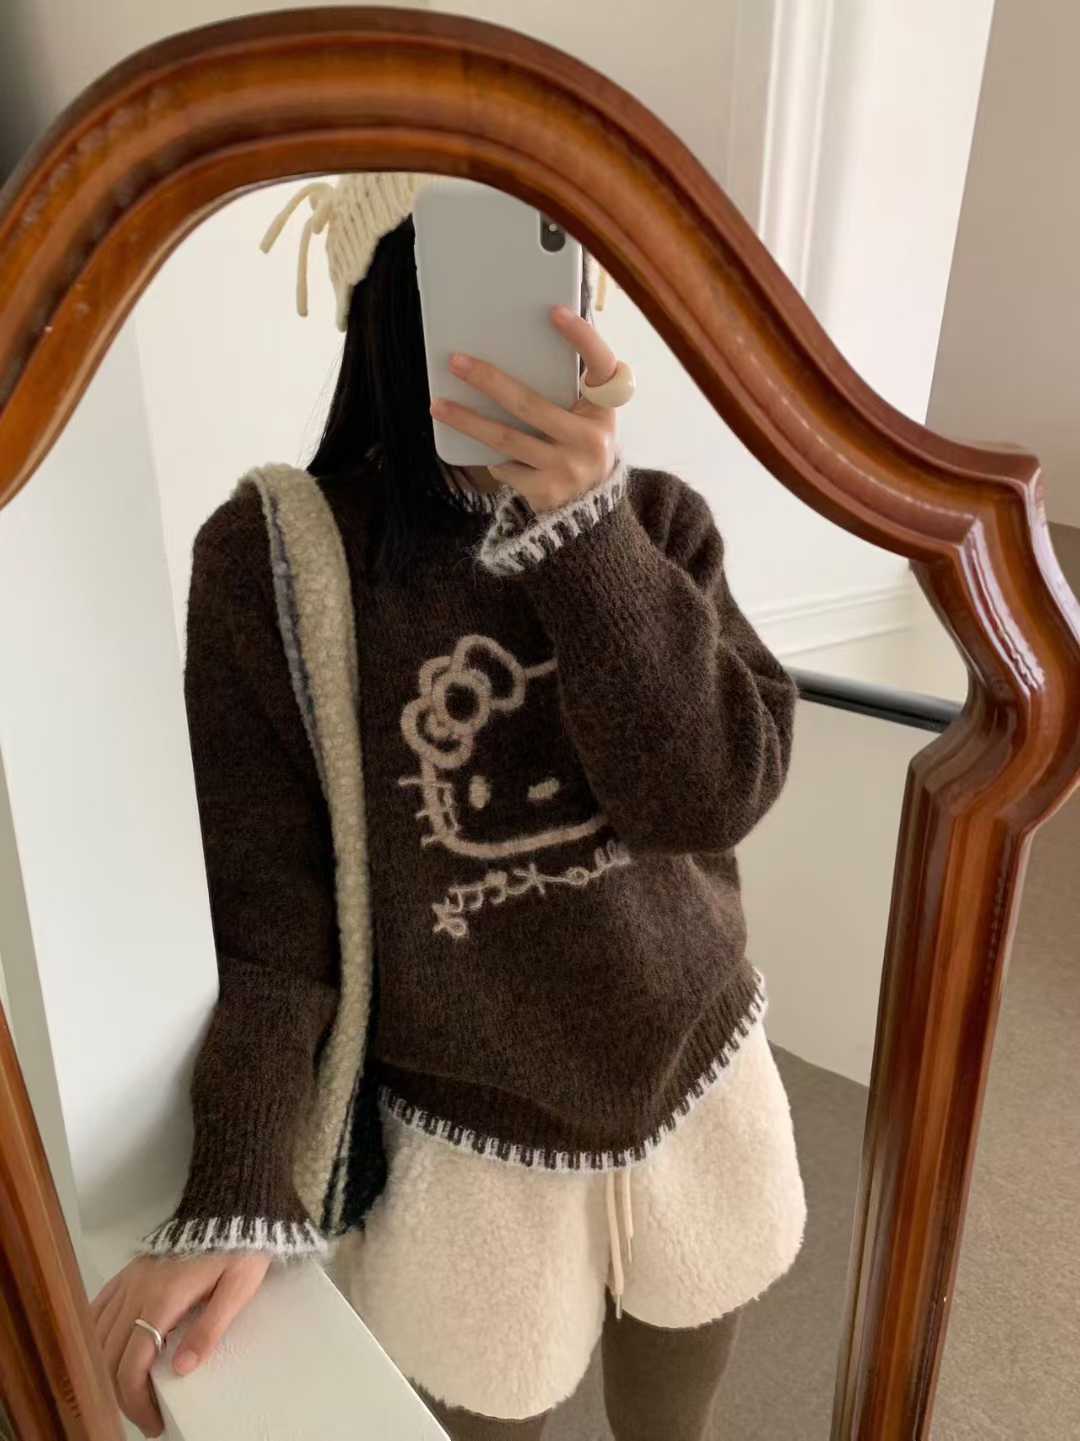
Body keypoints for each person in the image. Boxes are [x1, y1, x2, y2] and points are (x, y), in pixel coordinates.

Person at [90, 173, 806, 1441]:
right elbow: (270, 915)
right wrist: (242, 1175)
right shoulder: (274, 567)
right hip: (471, 1150)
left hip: (698, 1082)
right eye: (477, 263)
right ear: (393, 297)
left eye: (559, 260)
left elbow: (711, 794)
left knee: (677, 1418)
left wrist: (588, 536)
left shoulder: (653, 523)